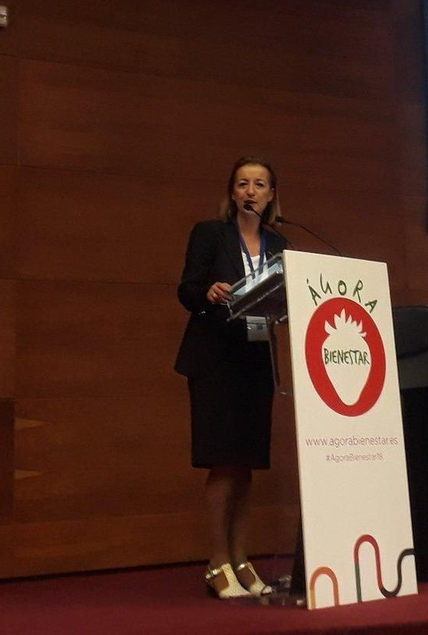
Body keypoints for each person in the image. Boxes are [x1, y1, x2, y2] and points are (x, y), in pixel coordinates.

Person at [174, 157, 288, 599]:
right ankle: (217, 562)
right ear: (232, 192)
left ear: (272, 195)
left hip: (256, 360)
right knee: (223, 461)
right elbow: (185, 288)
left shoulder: (280, 244)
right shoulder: (209, 234)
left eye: (260, 184)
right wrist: (208, 292)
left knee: (246, 465)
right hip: (215, 358)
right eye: (243, 183)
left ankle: (242, 559)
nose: (251, 191)